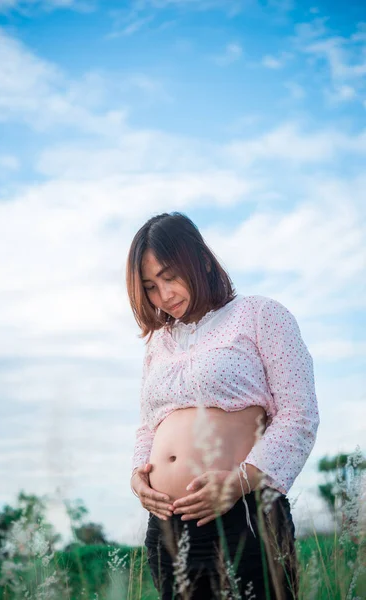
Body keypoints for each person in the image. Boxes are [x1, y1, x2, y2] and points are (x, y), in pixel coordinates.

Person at [127, 212, 320, 600]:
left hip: (242, 513)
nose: (163, 296)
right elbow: (149, 425)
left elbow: (299, 415)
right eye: (149, 286)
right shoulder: (158, 345)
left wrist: (239, 482)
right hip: (167, 526)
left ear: (198, 259)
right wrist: (138, 475)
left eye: (169, 276)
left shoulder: (260, 315)